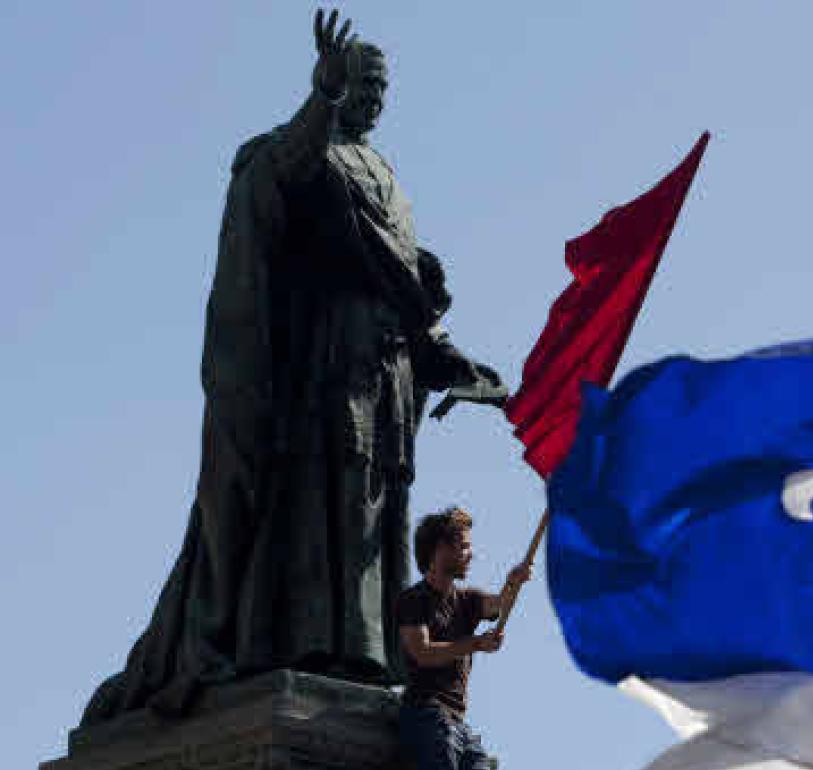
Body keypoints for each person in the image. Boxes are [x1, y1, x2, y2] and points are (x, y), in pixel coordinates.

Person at [81, 9, 505, 725]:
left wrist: (456, 365)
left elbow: (405, 284)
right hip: (324, 357)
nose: (372, 94)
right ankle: (313, 643)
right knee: (325, 498)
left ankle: (365, 650)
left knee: (377, 507)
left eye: (380, 85)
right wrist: (322, 97)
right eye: (361, 81)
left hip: (388, 367)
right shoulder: (305, 150)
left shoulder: (387, 173)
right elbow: (282, 175)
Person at [396, 507, 532, 770]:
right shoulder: (413, 600)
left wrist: (513, 582)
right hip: (426, 715)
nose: (472, 555)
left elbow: (499, 605)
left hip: (458, 723)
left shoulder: (467, 600)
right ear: (441, 549)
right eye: (465, 547)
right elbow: (423, 652)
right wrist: (476, 644)